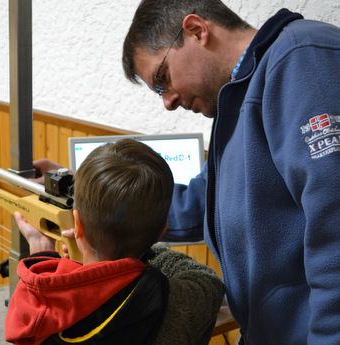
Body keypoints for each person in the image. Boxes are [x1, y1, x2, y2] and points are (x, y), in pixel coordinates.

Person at [122, 0, 340, 344]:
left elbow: (335, 222)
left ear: (197, 31)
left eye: (162, 79)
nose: (168, 101)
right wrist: (78, 191)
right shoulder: (236, 100)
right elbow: (194, 207)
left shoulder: (300, 59)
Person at [5, 139, 224, 345]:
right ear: (162, 232)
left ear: (77, 224)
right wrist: (130, 243)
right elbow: (205, 280)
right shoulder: (182, 301)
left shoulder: (35, 309)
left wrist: (43, 257)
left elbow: (43, 295)